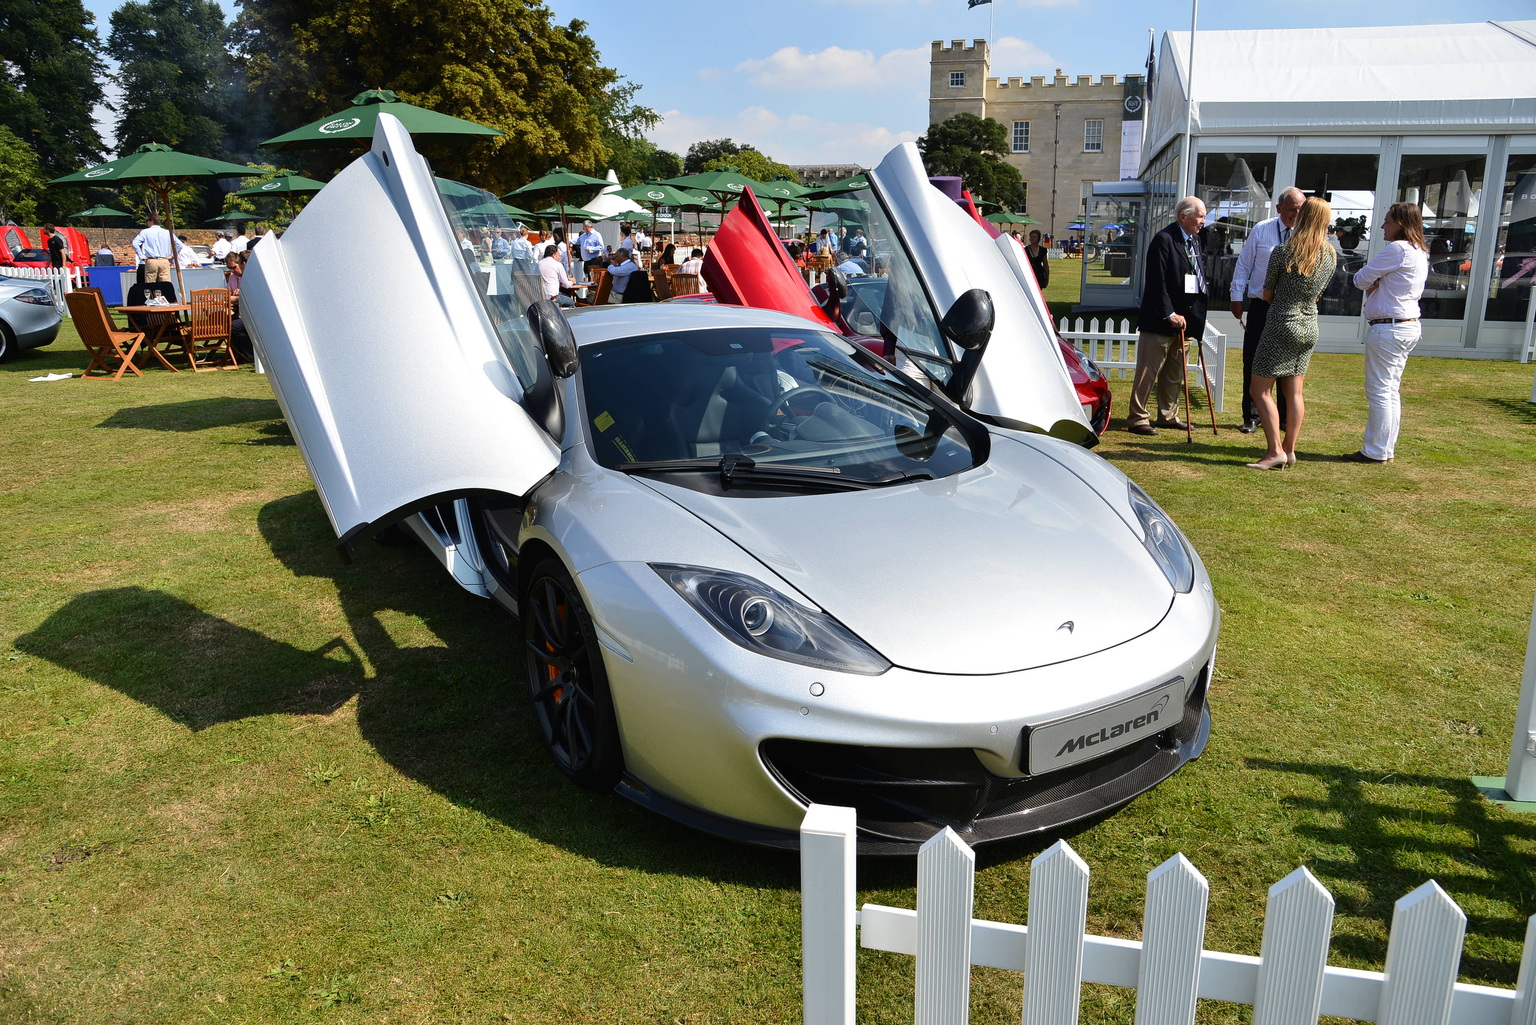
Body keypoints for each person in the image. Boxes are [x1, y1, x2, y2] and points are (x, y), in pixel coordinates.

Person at [1245, 196, 1336, 470]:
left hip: (1281, 324)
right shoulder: (1330, 254)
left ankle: (1275, 451)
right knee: (1294, 392)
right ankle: (1290, 449)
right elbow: (1319, 294)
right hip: (1309, 325)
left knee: (1259, 390)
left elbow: (1267, 292)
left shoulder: (1284, 251)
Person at [1344, 202, 1429, 464]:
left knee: (1381, 391)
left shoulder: (1398, 249)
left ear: (1400, 224)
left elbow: (1359, 279)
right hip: (1404, 325)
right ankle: (1383, 448)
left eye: (1387, 221)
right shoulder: (1419, 251)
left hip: (1390, 328)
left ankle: (1376, 450)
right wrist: (1377, 282)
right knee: (1390, 391)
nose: (1382, 226)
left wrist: (1375, 282)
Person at [1128, 197, 1208, 435]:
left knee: (1174, 374)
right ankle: (1138, 418)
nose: (1203, 221)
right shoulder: (1163, 239)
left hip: (1186, 321)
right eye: (1200, 215)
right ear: (1183, 216)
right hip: (1160, 321)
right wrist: (1169, 313)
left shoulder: (1194, 240)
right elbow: (1156, 282)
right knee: (1148, 372)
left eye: (1204, 216)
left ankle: (1168, 415)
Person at [1230, 187, 1305, 433]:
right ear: (1279, 208)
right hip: (1262, 305)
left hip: (1291, 307)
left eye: (1301, 208)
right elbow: (1244, 265)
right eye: (1292, 209)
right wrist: (1236, 296)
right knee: (1253, 360)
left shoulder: (1307, 234)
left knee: (1287, 363)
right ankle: (1251, 416)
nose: (1297, 213)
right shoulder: (1262, 229)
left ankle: (1283, 418)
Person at [133, 215, 175, 283]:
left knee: (150, 283)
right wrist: (172, 255)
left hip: (151, 260)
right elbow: (179, 245)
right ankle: (165, 293)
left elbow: (135, 243)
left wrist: (141, 256)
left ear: (151, 221)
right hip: (164, 260)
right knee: (165, 283)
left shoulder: (145, 232)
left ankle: (152, 293)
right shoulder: (167, 232)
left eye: (148, 221)